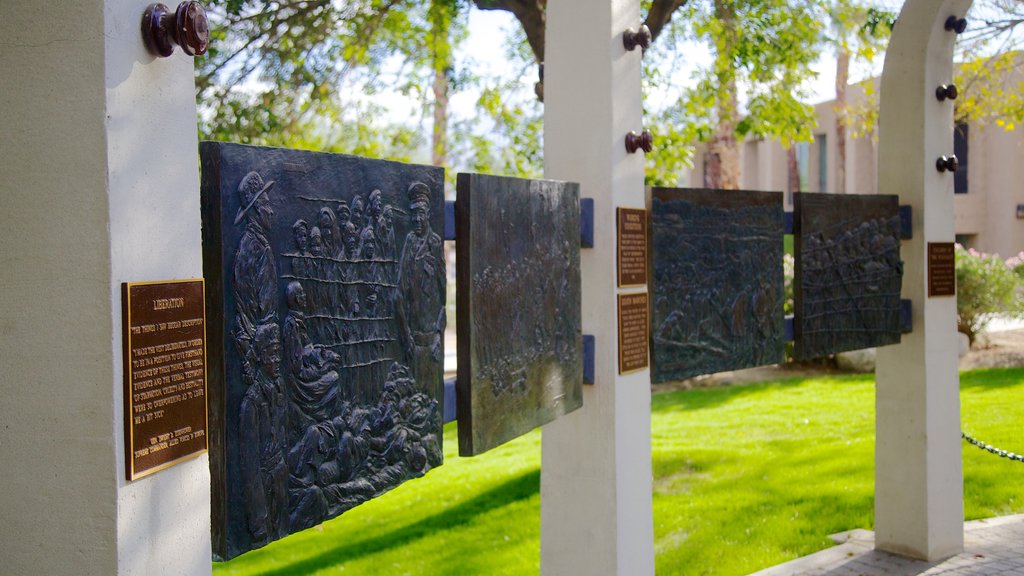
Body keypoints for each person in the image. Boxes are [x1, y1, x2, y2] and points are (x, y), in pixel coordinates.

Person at [239, 323, 289, 546]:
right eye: (271, 355)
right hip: (265, 491)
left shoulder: (277, 387)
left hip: (281, 482)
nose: (277, 360)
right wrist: (259, 523)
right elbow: (250, 468)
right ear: (260, 358)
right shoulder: (251, 402)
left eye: (278, 354)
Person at [396, 182, 446, 398]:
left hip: (431, 343)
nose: (416, 220)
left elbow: (443, 300)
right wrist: (406, 337)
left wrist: (438, 336)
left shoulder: (435, 243)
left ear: (428, 215)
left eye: (421, 214)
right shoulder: (409, 242)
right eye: (413, 214)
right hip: (414, 342)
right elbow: (398, 294)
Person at [232, 171, 277, 384]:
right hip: (263, 349)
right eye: (268, 205)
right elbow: (265, 309)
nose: (272, 211)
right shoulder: (260, 249)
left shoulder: (246, 244)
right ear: (258, 209)